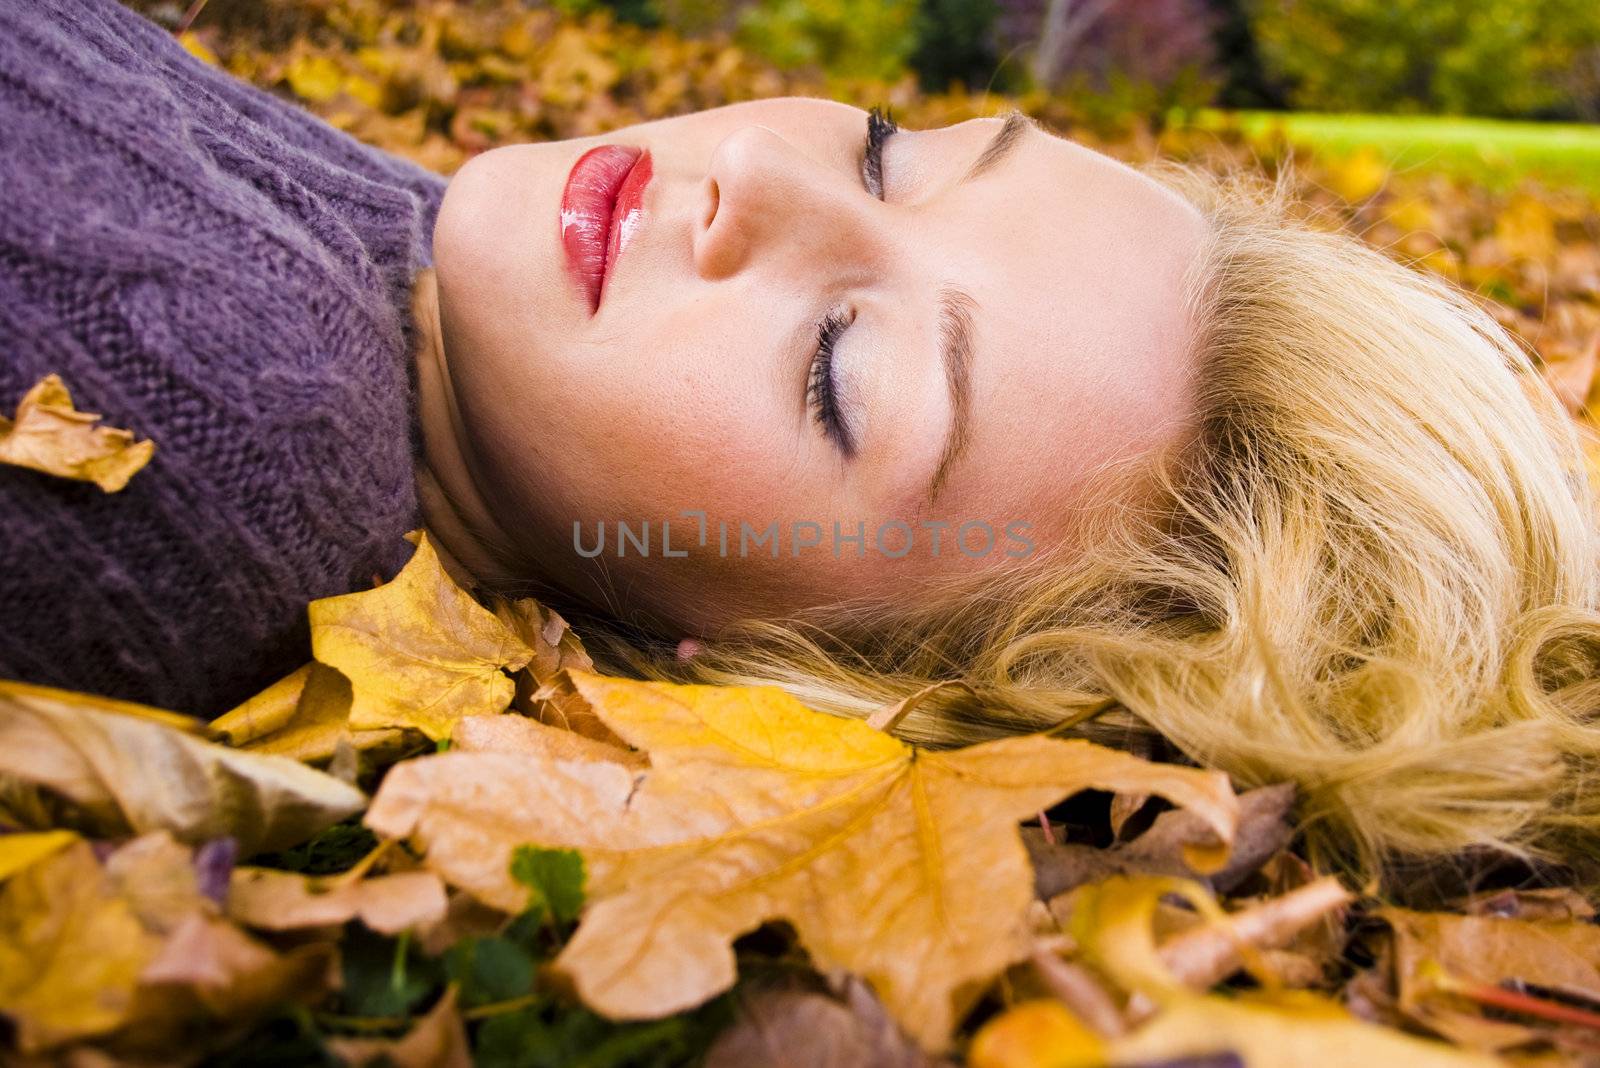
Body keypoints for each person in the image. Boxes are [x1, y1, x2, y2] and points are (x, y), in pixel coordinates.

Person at [3, 0, 1597, 892]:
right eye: (895, 159)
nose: (758, 175)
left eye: (843, 370)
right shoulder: (441, 313)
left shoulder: (206, 399)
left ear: (765, 690)